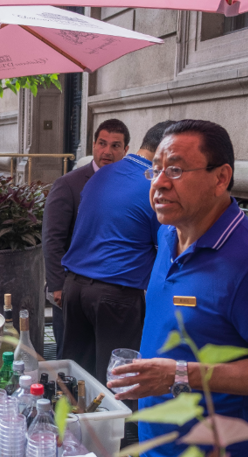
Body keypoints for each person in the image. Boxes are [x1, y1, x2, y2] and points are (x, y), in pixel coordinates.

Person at [107, 120, 248, 457]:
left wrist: (179, 374)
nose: (159, 183)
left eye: (175, 169)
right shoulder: (168, 233)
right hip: (156, 451)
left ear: (220, 178)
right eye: (155, 169)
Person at [59, 121, 174, 383]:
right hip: (115, 295)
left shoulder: (102, 173)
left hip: (75, 288)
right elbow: (167, 246)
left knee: (74, 376)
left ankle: (68, 423)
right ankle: (112, 426)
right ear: (164, 150)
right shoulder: (154, 186)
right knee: (116, 382)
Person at [42, 118, 130, 357]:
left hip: (113, 293)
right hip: (72, 289)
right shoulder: (68, 184)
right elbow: (52, 238)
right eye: (102, 143)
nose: (107, 151)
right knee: (73, 360)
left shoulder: (131, 186)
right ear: (93, 145)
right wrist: (57, 286)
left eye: (115, 146)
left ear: (126, 150)